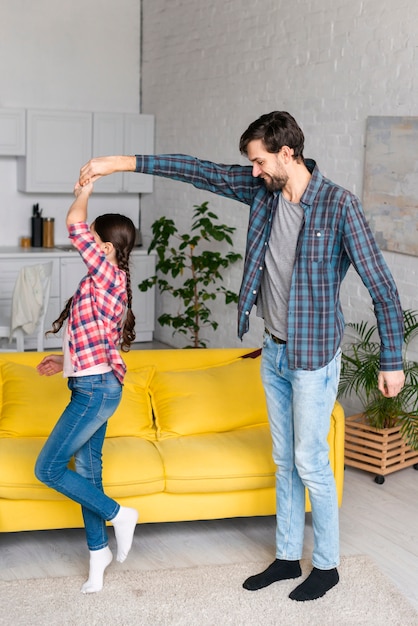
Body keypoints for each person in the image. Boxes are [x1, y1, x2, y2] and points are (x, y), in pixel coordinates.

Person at [79, 111, 405, 601]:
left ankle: (328, 565)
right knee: (283, 459)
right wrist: (119, 163)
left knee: (310, 460)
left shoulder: (340, 207)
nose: (252, 171)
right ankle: (286, 556)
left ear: (286, 153)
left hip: (314, 356)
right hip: (273, 350)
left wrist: (392, 360)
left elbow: (381, 286)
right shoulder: (264, 191)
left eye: (258, 161)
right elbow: (196, 170)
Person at [35, 181, 139, 594]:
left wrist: (86, 188)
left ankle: (119, 514)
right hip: (92, 380)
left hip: (95, 390)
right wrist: (65, 360)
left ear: (107, 249)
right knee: (88, 475)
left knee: (48, 468)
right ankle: (98, 554)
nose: (87, 244)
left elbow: (74, 223)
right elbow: (98, 337)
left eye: (95, 240)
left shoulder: (108, 273)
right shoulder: (106, 281)